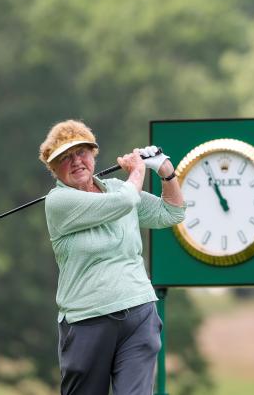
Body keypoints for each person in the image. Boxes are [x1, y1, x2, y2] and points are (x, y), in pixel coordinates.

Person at [38, 119, 185, 395]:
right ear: (54, 169)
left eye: (81, 152)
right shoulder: (58, 203)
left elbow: (172, 212)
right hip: (87, 320)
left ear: (93, 154)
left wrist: (166, 171)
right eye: (65, 158)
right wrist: (139, 171)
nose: (76, 161)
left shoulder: (118, 187)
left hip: (139, 311)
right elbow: (125, 202)